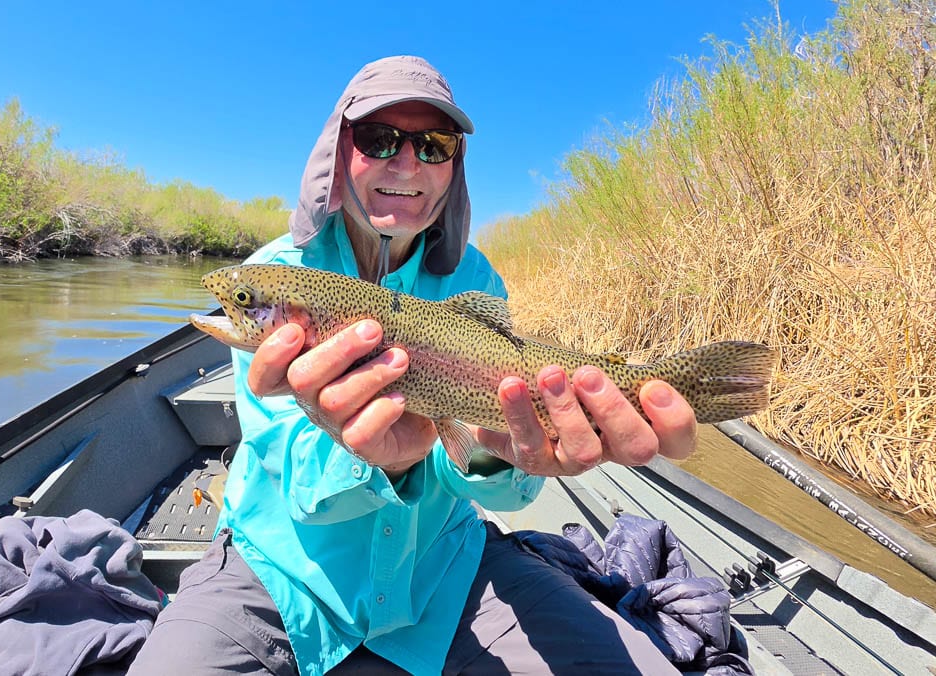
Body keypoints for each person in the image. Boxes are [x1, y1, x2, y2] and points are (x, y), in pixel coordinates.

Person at [130, 55, 697, 675]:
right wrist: (378, 459)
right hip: (282, 571)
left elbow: (492, 480)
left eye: (433, 144)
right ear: (339, 149)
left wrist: (499, 451)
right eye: (379, 139)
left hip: (443, 566)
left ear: (454, 166)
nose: (406, 163)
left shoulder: (476, 278)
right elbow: (297, 485)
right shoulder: (279, 273)